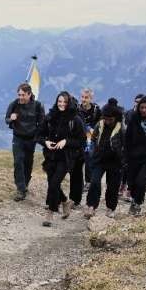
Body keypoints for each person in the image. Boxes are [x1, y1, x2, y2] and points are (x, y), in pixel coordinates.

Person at [39, 91, 85, 226]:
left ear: (69, 102)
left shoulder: (75, 119)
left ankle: (50, 213)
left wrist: (66, 141)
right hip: (50, 156)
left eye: (64, 102)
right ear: (56, 102)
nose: (62, 104)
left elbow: (81, 140)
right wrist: (45, 142)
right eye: (60, 101)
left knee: (53, 184)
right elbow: (39, 135)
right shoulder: (49, 117)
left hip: (66, 158)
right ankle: (64, 201)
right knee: (53, 183)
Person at [84, 98, 125, 218]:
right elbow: (93, 138)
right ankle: (91, 206)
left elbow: (126, 144)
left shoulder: (121, 127)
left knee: (113, 185)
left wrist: (124, 159)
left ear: (116, 117)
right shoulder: (100, 124)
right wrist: (92, 151)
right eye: (105, 118)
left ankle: (110, 208)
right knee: (95, 182)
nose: (107, 121)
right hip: (99, 158)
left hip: (115, 160)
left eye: (110, 119)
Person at [5, 83, 45, 201]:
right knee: (18, 161)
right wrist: (10, 119)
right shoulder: (14, 104)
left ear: (29, 94)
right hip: (18, 138)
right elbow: (6, 120)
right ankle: (20, 189)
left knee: (27, 163)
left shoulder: (37, 106)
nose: (20, 97)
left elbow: (42, 123)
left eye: (23, 95)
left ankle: (25, 185)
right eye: (19, 94)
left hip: (31, 139)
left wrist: (38, 135)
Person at [77, 88, 101, 187]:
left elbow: (101, 123)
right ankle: (79, 183)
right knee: (78, 161)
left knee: (89, 159)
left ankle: (88, 182)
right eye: (82, 97)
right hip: (79, 138)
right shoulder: (77, 109)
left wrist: (94, 130)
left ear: (91, 98)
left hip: (91, 139)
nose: (83, 99)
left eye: (86, 97)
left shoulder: (96, 110)